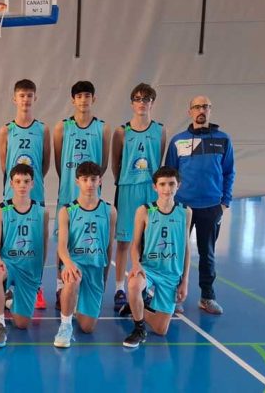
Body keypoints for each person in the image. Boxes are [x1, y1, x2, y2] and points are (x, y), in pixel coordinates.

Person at [165, 96, 235, 315]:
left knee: (208, 254)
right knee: (177, 252)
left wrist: (224, 202)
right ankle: (175, 296)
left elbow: (229, 172)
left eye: (205, 106)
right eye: (196, 107)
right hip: (182, 207)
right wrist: (170, 204)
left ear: (210, 110)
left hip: (211, 207)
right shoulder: (178, 141)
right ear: (190, 112)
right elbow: (169, 174)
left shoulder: (223, 140)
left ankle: (207, 297)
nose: (201, 110)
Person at [52, 80, 111, 309]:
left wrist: (90, 183)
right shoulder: (62, 127)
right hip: (68, 191)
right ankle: (60, 286)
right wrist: (71, 181)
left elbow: (103, 164)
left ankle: (92, 285)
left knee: (93, 239)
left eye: (87, 95)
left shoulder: (103, 128)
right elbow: (59, 164)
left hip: (91, 195)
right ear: (73, 100)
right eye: (79, 96)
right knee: (62, 240)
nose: (83, 100)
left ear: (93, 99)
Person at [122, 166, 192, 348]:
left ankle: (135, 306)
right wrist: (136, 265)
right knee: (134, 284)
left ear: (178, 185)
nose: (167, 189)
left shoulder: (185, 212)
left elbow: (186, 248)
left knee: (161, 329)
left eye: (171, 184)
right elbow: (135, 245)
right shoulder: (144, 210)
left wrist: (185, 280)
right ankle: (139, 329)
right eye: (162, 184)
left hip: (171, 274)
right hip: (149, 269)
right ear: (155, 187)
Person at [111, 83, 166, 311]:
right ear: (132, 103)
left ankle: (147, 287)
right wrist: (126, 180)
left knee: (147, 241)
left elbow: (159, 160)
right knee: (124, 241)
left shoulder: (160, 130)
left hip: (150, 189)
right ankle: (119, 288)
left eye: (146, 99)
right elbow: (115, 163)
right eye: (137, 99)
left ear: (152, 102)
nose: (141, 103)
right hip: (128, 188)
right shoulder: (122, 131)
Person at [0, 79, 51, 309]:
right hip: (13, 192)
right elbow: (5, 165)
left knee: (35, 241)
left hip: (34, 191)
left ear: (35, 98)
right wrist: (17, 183)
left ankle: (36, 286)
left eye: (30, 95)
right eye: (22, 95)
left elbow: (45, 163)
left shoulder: (42, 129)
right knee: (9, 240)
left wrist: (31, 182)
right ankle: (8, 286)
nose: (26, 99)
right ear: (14, 99)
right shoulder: (6, 130)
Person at [54, 161, 116, 348]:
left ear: (100, 181)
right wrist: (68, 264)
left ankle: (76, 304)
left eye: (93, 179)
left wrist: (105, 276)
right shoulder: (67, 210)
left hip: (96, 267)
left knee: (87, 328)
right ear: (77, 182)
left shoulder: (110, 211)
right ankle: (65, 326)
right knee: (72, 278)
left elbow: (109, 246)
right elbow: (61, 246)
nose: (89, 184)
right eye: (85, 179)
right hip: (75, 263)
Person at [0, 164, 49, 348]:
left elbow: (44, 246)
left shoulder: (42, 212)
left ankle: (9, 299)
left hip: (29, 269)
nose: (22, 185)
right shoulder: (0, 209)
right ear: (11, 184)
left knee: (22, 324)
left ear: (32, 184)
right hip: (9, 264)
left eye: (26, 181)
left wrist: (39, 275)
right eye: (18, 181)